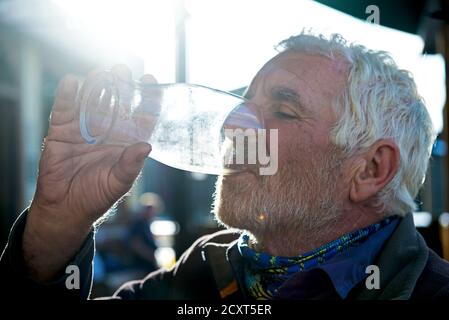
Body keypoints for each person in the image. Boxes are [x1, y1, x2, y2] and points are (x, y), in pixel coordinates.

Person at [1, 32, 449, 300]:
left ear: (370, 169)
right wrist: (57, 224)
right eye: (243, 102)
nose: (233, 125)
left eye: (283, 110)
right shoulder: (204, 273)